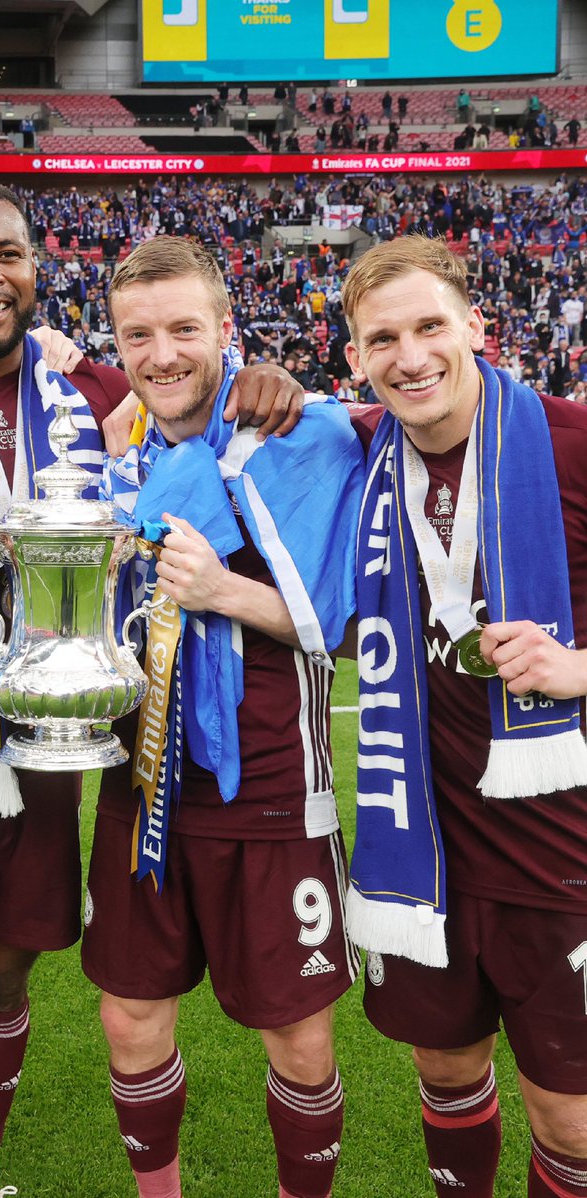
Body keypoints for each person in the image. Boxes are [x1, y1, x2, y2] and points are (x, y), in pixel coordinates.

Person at [0, 177, 302, 1198]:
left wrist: (268, 378)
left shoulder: (105, 401)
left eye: (7, 257)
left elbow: (202, 403)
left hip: (48, 744)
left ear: (37, 269)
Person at [83, 236, 364, 1198]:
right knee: (130, 1016)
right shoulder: (116, 450)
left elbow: (343, 626)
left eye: (184, 330)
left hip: (273, 782)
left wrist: (224, 594)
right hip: (142, 777)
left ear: (227, 330)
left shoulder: (306, 435)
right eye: (139, 336)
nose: (162, 355)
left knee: (296, 1031)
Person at [341, 236, 587, 1198]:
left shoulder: (568, 441)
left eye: (430, 326)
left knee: (569, 1114)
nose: (410, 356)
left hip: (559, 845)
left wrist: (577, 668)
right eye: (382, 338)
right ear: (357, 358)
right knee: (445, 1071)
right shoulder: (357, 451)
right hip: (423, 838)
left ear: (477, 329)